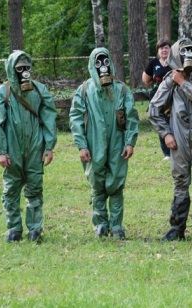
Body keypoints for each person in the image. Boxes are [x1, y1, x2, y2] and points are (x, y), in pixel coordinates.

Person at [70, 47, 139, 240]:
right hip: (94, 143)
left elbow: (132, 117)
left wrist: (130, 142)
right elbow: (75, 118)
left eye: (106, 62)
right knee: (97, 182)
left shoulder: (122, 89)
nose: (103, 67)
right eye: (98, 63)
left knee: (116, 183)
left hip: (117, 143)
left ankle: (117, 225)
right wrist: (81, 145)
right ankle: (100, 224)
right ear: (93, 64)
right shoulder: (84, 90)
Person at [0, 50, 57, 243]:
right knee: (11, 190)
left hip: (35, 147)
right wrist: (1, 151)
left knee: (35, 187)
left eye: (27, 68)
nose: (24, 72)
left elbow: (49, 118)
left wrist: (49, 146)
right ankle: (14, 228)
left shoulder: (39, 91)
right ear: (11, 69)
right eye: (20, 68)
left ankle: (35, 229)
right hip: (13, 149)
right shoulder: (2, 93)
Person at [148, 38, 192, 241]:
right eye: (184, 52)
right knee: (180, 179)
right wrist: (166, 133)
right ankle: (177, 228)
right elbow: (153, 109)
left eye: (191, 52)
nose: (188, 56)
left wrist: (183, 83)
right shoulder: (170, 78)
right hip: (179, 134)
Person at [142, 40, 172, 160]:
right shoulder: (154, 62)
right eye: (161, 48)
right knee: (161, 122)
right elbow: (146, 79)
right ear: (158, 51)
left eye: (166, 48)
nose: (164, 50)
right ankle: (166, 153)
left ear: (170, 50)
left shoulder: (174, 62)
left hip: (172, 97)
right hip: (157, 97)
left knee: (173, 121)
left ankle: (176, 148)